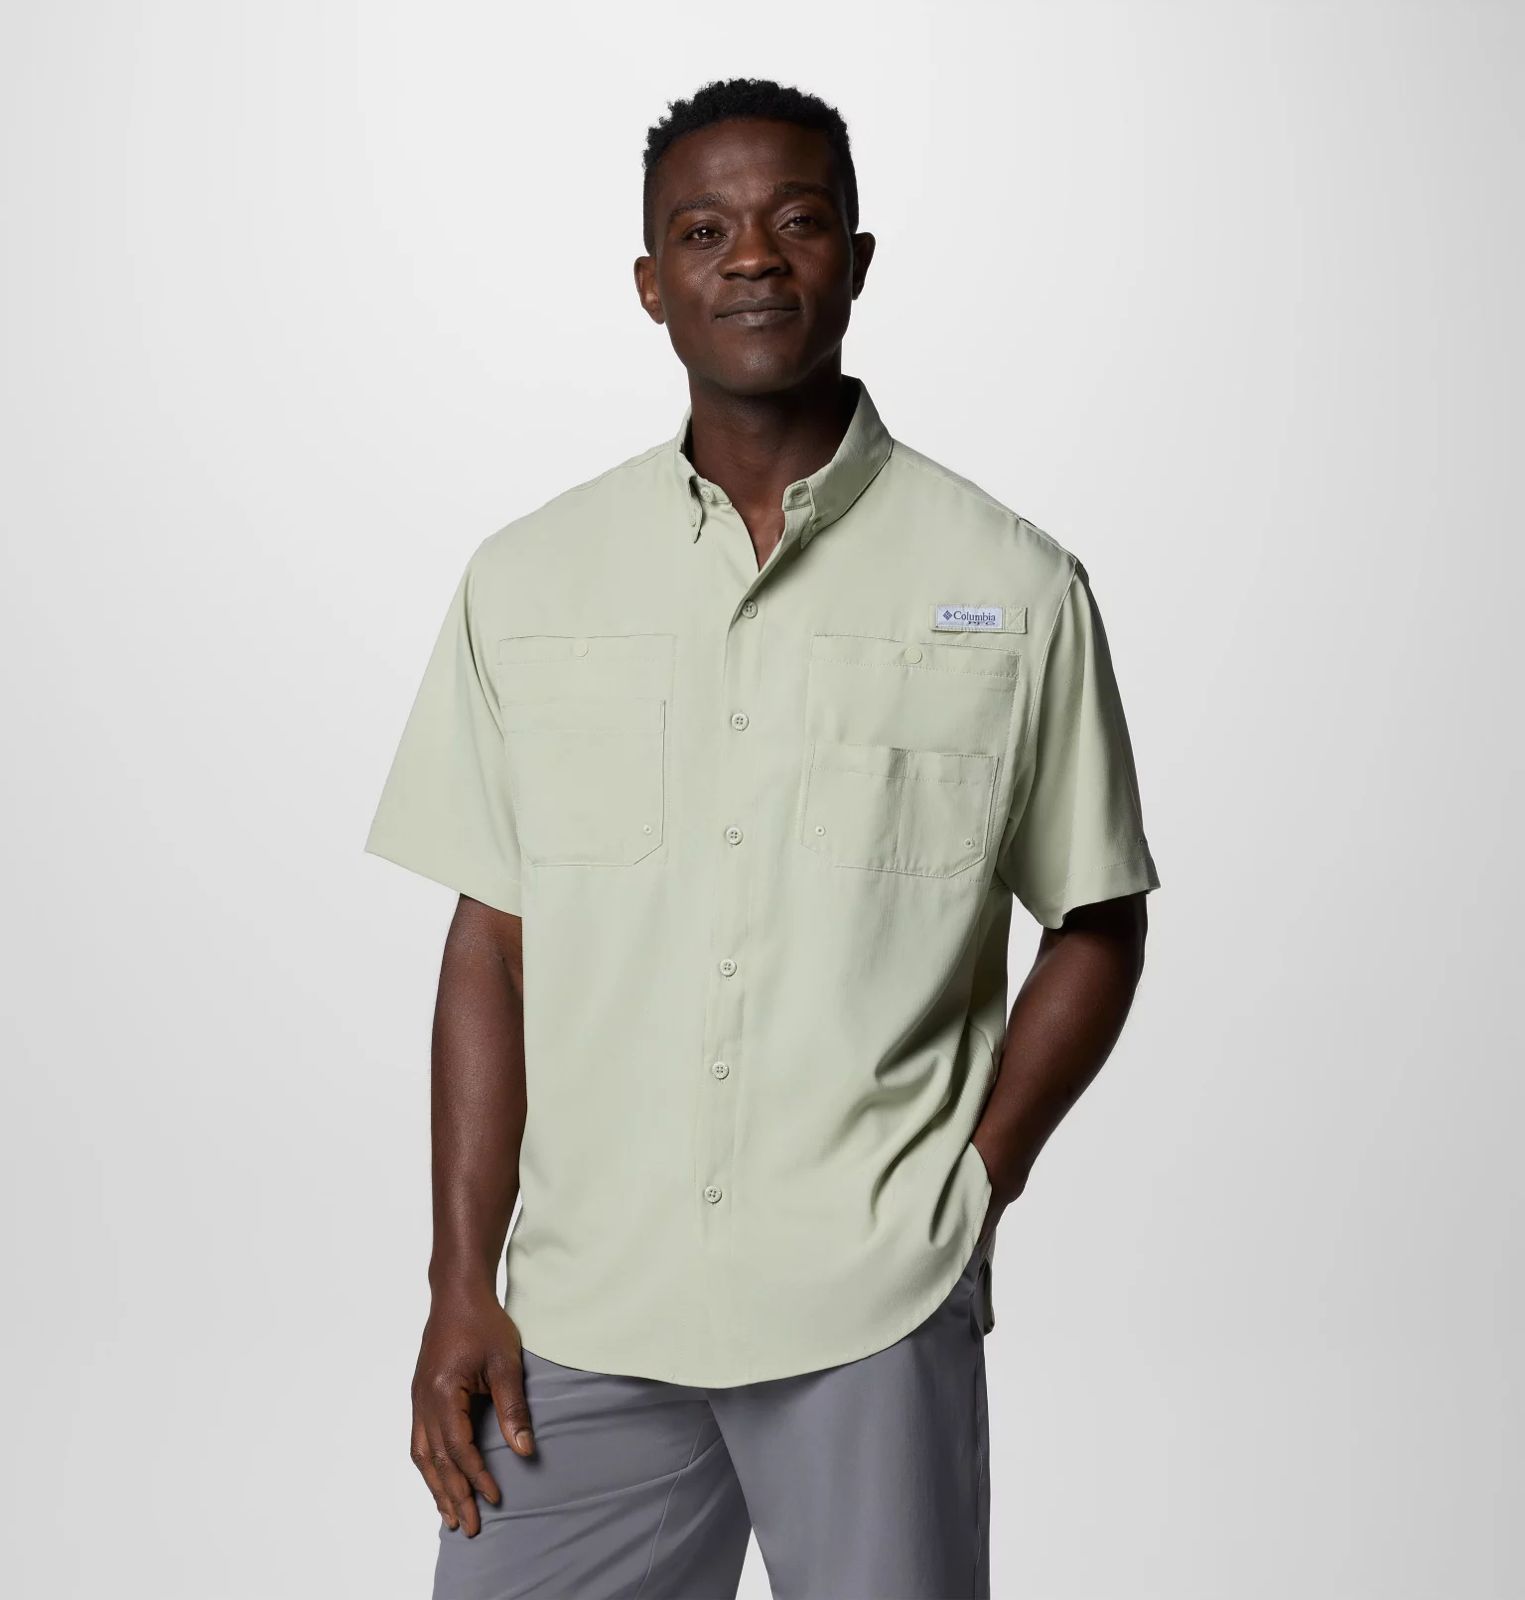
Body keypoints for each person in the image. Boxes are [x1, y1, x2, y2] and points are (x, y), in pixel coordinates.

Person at [364, 74, 1160, 1600]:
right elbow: (493, 942)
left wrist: (973, 1188)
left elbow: (1096, 916)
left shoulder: (1011, 583)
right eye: (703, 230)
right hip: (583, 1310)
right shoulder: (527, 580)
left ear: (854, 261)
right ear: (649, 281)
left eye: (794, 222)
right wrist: (460, 1280)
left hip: (867, 1296)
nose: (749, 256)